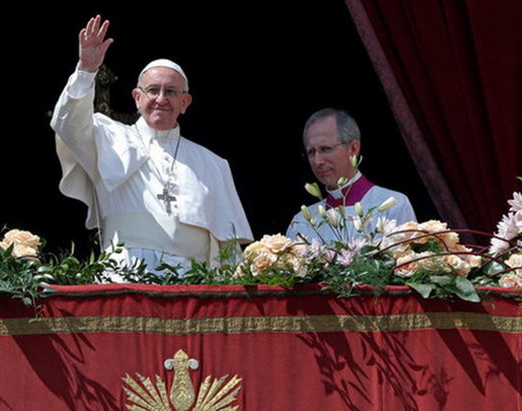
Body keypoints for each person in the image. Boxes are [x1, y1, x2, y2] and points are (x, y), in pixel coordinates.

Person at [51, 15, 252, 273]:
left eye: (170, 92)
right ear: (137, 97)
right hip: (126, 274)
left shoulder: (214, 164)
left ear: (185, 103)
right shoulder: (107, 137)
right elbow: (68, 124)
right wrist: (86, 70)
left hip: (193, 285)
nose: (160, 99)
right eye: (152, 90)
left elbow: (228, 244)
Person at [286, 108, 416, 242]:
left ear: (353, 148)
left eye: (326, 149)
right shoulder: (302, 223)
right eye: (311, 152)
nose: (318, 161)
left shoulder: (392, 205)